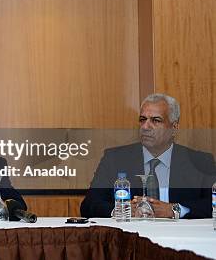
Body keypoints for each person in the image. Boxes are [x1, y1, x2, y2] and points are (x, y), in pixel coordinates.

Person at [81, 93, 215, 219]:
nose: (145, 126)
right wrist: (121, 210)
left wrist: (174, 210)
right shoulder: (114, 159)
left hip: (181, 239)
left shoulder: (200, 161)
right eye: (142, 119)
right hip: (130, 238)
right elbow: (89, 204)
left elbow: (211, 203)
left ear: (174, 127)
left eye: (155, 120)